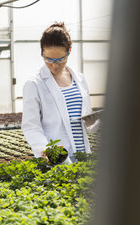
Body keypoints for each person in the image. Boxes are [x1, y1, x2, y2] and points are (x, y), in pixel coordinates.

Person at [21, 22, 100, 162]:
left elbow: (86, 125)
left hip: (84, 157)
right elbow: (31, 126)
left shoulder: (80, 80)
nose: (54, 65)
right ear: (41, 53)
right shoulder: (34, 84)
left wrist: (99, 120)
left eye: (60, 59)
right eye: (48, 59)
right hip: (57, 160)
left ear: (69, 51)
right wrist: (46, 150)